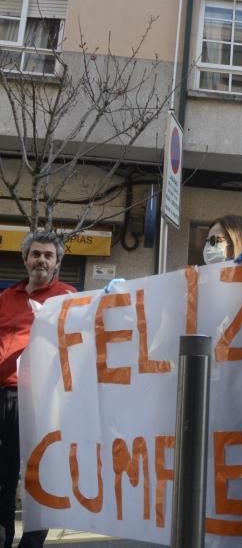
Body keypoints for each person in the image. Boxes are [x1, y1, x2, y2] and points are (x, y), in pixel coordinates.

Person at [0, 231, 77, 548]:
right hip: (3, 396)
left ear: (57, 263)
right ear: (25, 259)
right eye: (36, 254)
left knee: (38, 477)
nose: (41, 260)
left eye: (48, 255)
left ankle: (31, 544)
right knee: (2, 478)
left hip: (42, 401)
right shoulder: (5, 298)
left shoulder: (68, 298)